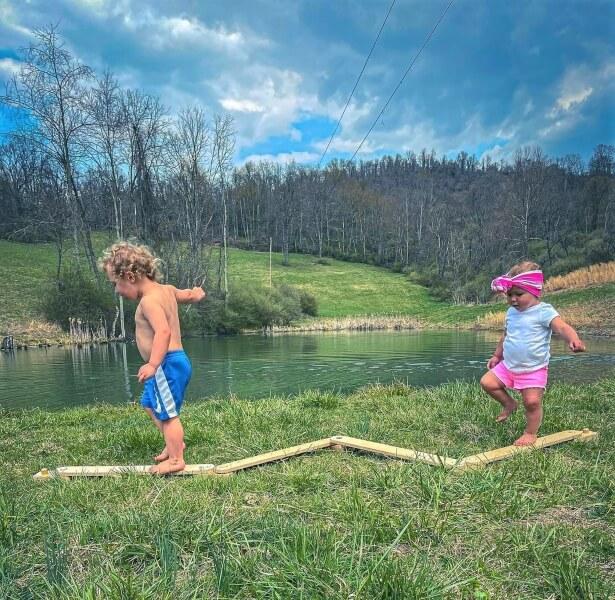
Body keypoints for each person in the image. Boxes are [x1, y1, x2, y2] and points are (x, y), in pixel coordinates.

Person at [100, 241, 206, 474]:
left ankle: (177, 459)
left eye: (115, 284)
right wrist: (196, 294)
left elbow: (163, 332)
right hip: (172, 362)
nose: (116, 290)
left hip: (166, 363)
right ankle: (173, 443)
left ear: (129, 276)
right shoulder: (166, 290)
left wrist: (153, 363)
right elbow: (185, 295)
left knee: (168, 415)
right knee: (149, 404)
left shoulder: (149, 301)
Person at [480, 261, 585, 446]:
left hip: (533, 369)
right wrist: (497, 356)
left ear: (535, 291)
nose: (513, 299)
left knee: (532, 402)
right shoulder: (511, 313)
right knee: (487, 383)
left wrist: (573, 339)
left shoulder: (544, 311)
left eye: (519, 294)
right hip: (509, 365)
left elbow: (562, 327)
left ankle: (530, 433)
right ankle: (509, 404)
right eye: (509, 295)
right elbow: (506, 336)